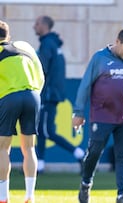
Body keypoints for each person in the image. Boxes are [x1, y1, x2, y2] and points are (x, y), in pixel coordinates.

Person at [72, 27, 123, 203]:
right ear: (117, 41)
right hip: (102, 117)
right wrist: (78, 112)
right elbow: (85, 86)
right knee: (94, 153)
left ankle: (122, 195)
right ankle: (86, 184)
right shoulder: (99, 58)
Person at [0, 20, 45, 203]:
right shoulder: (25, 46)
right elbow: (40, 75)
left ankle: (3, 197)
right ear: (8, 35)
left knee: (3, 148)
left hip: (9, 98)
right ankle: (30, 196)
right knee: (29, 147)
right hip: (33, 95)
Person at [33, 15, 85, 173]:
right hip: (51, 93)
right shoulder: (53, 43)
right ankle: (39, 165)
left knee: (47, 130)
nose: (34, 26)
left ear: (44, 26)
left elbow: (42, 69)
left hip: (48, 94)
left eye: (37, 24)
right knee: (41, 129)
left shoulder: (47, 44)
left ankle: (80, 154)